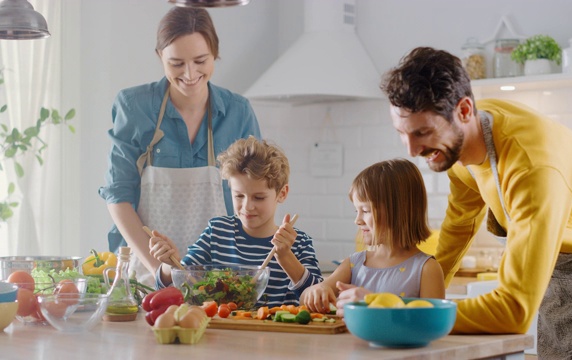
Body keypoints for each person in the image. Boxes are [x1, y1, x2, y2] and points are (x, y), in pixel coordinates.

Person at [369, 46, 572, 358]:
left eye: (423, 133)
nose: (412, 150)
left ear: (464, 111)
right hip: (559, 282)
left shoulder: (532, 165)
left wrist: (412, 316)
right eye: (402, 134)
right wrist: (416, 292)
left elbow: (514, 310)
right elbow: (459, 227)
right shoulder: (462, 145)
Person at [98, 7, 261, 287]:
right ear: (160, 56)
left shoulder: (238, 112)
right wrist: (162, 272)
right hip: (145, 272)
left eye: (200, 60)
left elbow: (256, 195)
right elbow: (118, 197)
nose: (190, 73)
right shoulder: (134, 106)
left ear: (215, 52)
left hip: (220, 275)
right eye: (176, 63)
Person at [149, 136, 323, 307]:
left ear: (282, 193)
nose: (247, 207)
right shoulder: (217, 232)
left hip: (276, 334)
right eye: (239, 196)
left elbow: (319, 298)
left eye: (259, 197)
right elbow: (172, 289)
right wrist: (168, 265)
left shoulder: (299, 243)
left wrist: (286, 257)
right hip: (221, 333)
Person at [301, 158, 445, 314]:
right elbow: (304, 299)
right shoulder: (354, 264)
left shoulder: (426, 269)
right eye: (357, 211)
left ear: (397, 211)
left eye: (366, 211)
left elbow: (431, 323)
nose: (357, 220)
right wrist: (317, 290)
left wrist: (373, 302)